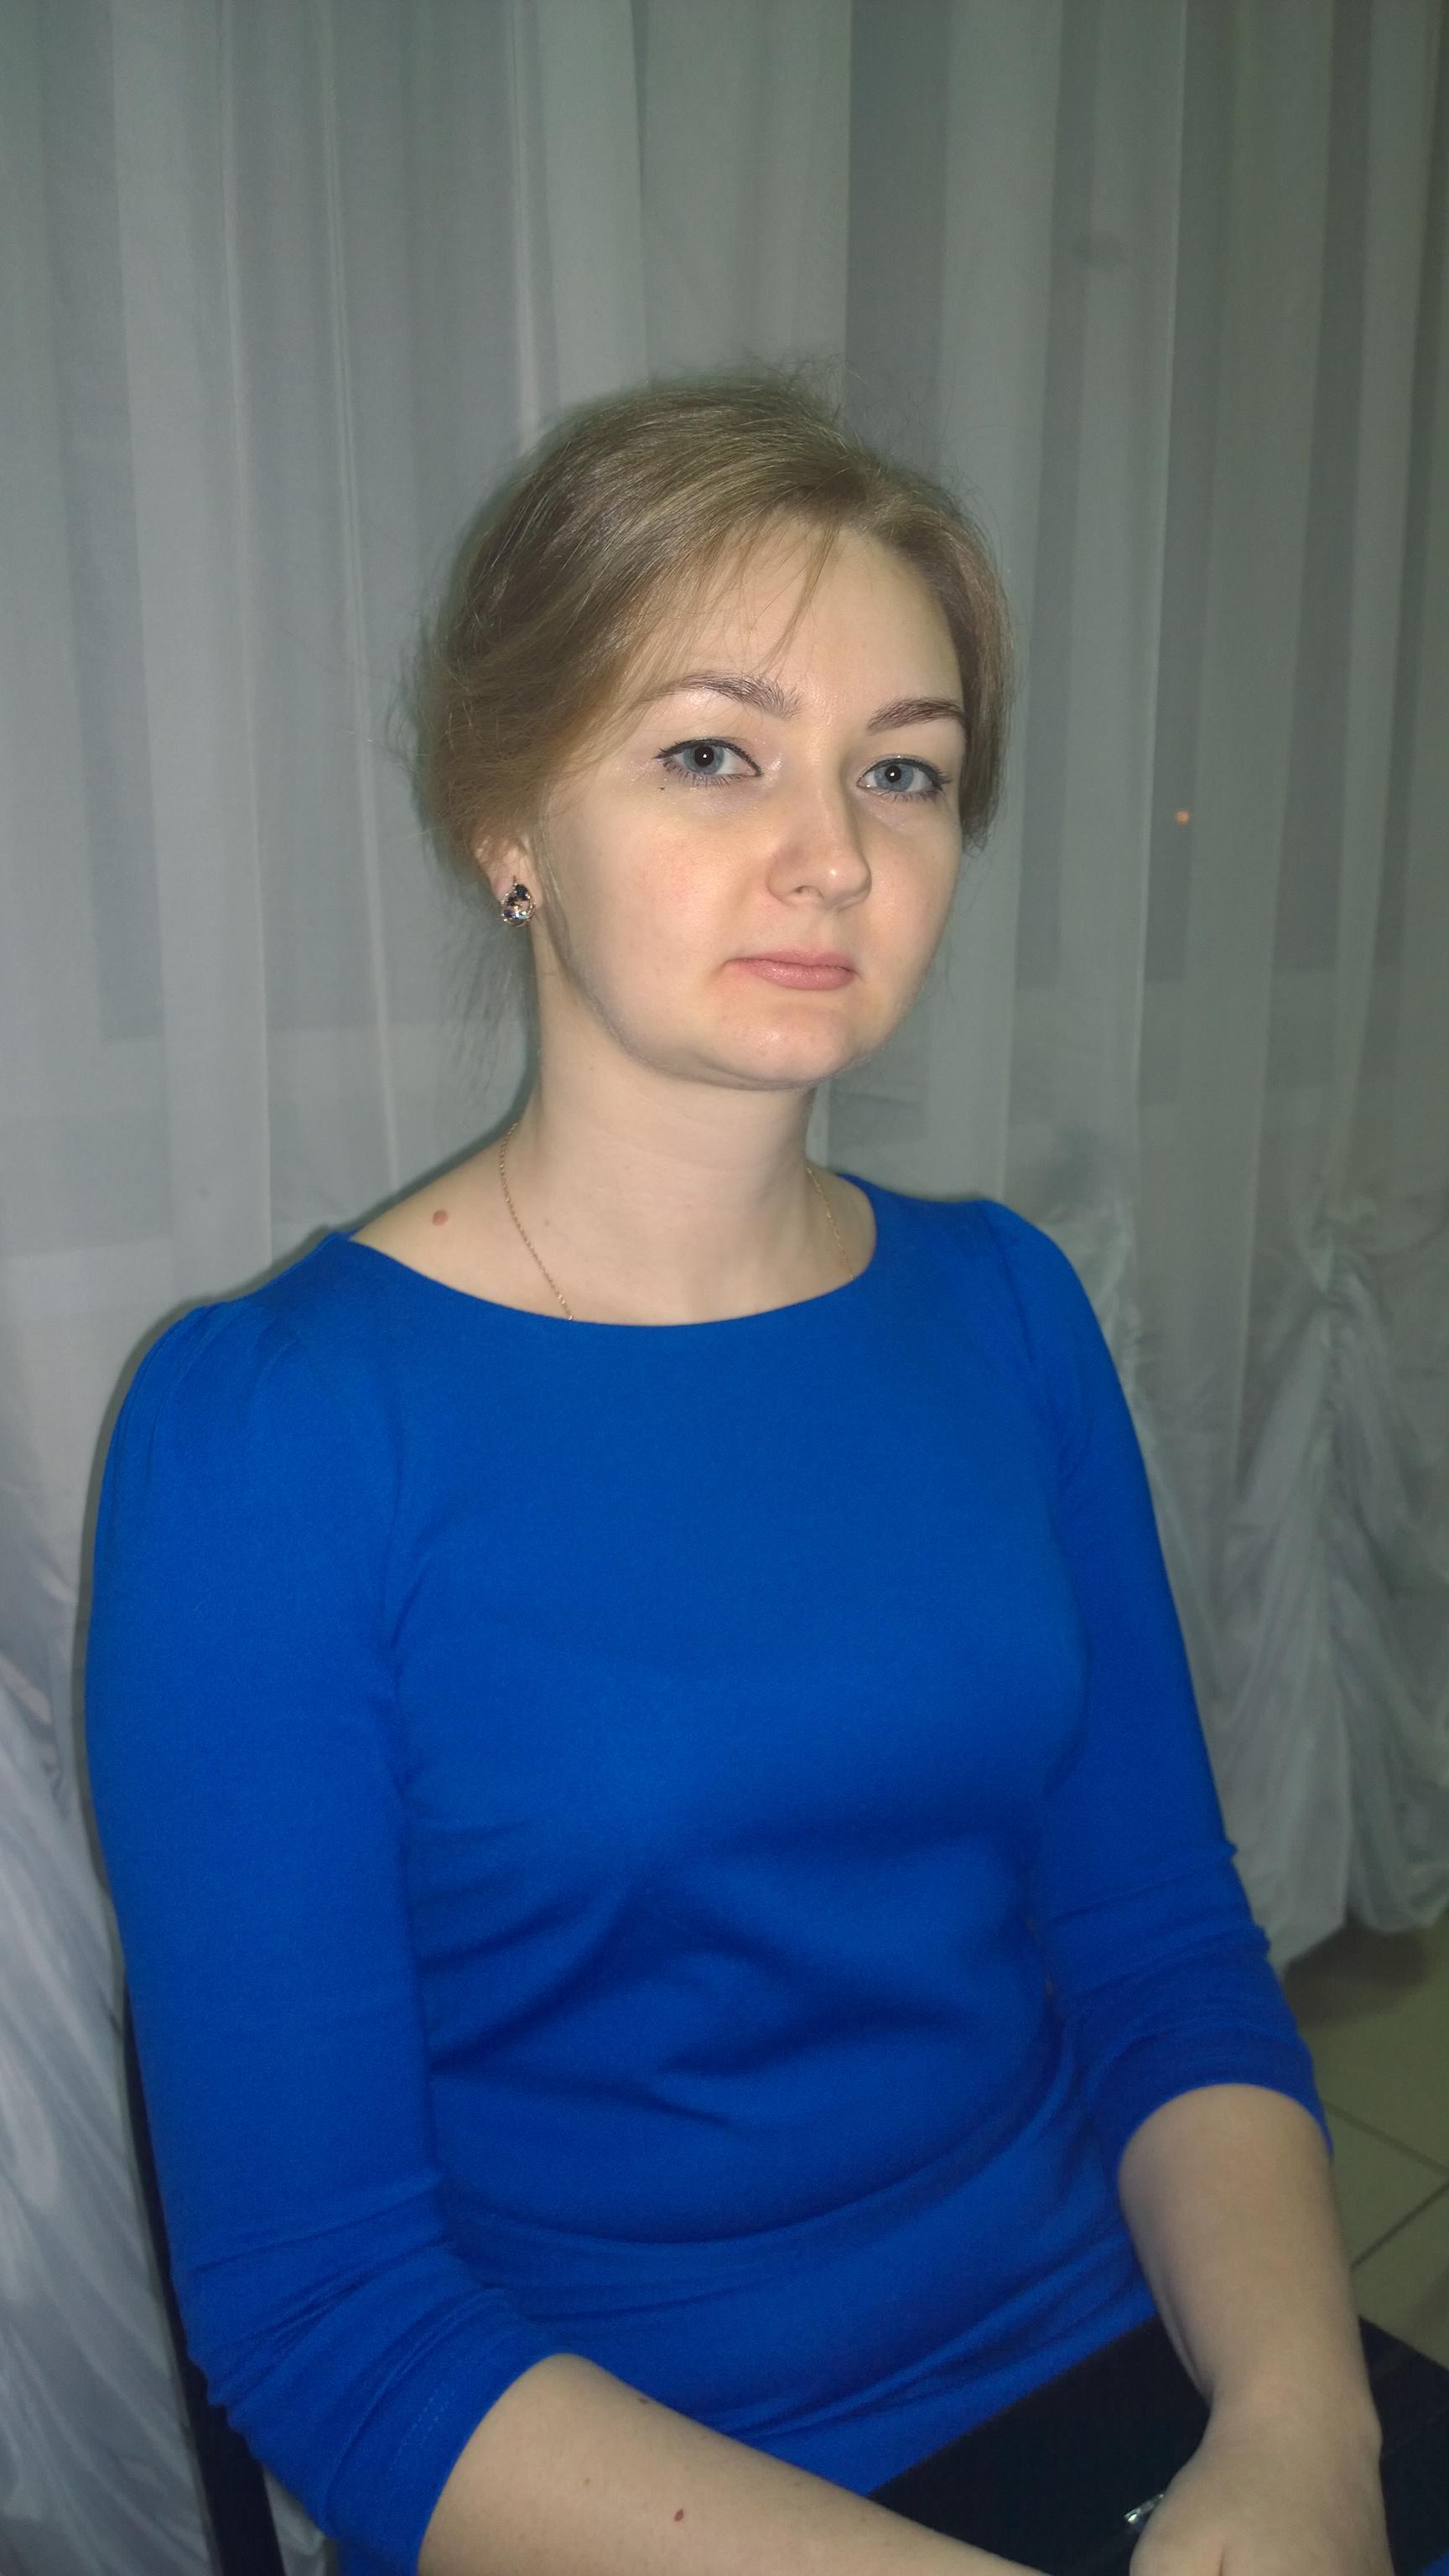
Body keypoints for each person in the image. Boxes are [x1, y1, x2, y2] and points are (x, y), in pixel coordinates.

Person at [86, 373, 1390, 2576]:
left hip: (1109, 2366)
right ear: (506, 818)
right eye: (715, 752)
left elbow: (1157, 1943)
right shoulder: (270, 1437)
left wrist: (1299, 2432)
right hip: (602, 2489)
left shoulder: (1005, 1309)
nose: (836, 852)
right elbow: (327, 2313)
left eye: (905, 769)